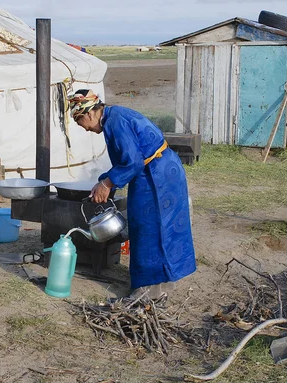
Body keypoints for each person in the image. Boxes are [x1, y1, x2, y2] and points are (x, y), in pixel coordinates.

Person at [69, 89, 196, 299]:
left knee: (147, 227)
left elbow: (134, 162)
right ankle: (163, 284)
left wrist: (108, 184)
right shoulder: (114, 116)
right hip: (163, 170)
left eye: (79, 121)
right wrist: (104, 181)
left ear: (90, 114)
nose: (83, 128)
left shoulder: (114, 122)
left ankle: (147, 290)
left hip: (155, 176)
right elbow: (127, 159)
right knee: (162, 226)